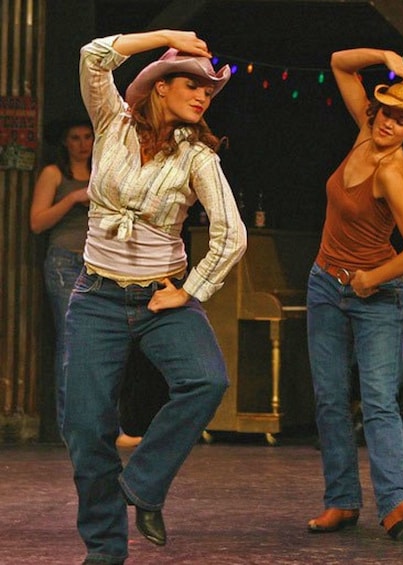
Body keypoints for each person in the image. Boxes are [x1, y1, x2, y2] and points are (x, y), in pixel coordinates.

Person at [64, 31, 246, 564]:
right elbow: (93, 56)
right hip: (96, 295)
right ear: (160, 87)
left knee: (207, 379)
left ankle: (143, 485)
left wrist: (189, 291)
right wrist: (165, 36)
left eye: (209, 91)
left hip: (159, 296)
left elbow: (231, 234)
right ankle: (103, 553)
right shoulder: (112, 122)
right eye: (192, 84)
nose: (202, 97)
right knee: (85, 425)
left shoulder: (198, 157)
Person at [305, 47, 403, 540]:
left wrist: (373, 278)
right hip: (325, 283)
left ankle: (394, 502)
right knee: (328, 398)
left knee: (378, 400)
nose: (390, 123)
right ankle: (342, 501)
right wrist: (388, 55)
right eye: (387, 112)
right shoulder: (365, 133)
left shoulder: (392, 171)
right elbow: (342, 64)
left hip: (374, 296)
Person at [30, 117, 93, 438]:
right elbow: (37, 223)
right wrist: (72, 198)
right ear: (65, 142)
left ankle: (103, 427)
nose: (82, 144)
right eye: (75, 137)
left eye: (87, 137)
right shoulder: (54, 174)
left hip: (98, 264)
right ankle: (70, 428)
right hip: (65, 262)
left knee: (102, 347)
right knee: (71, 344)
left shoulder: (102, 173)